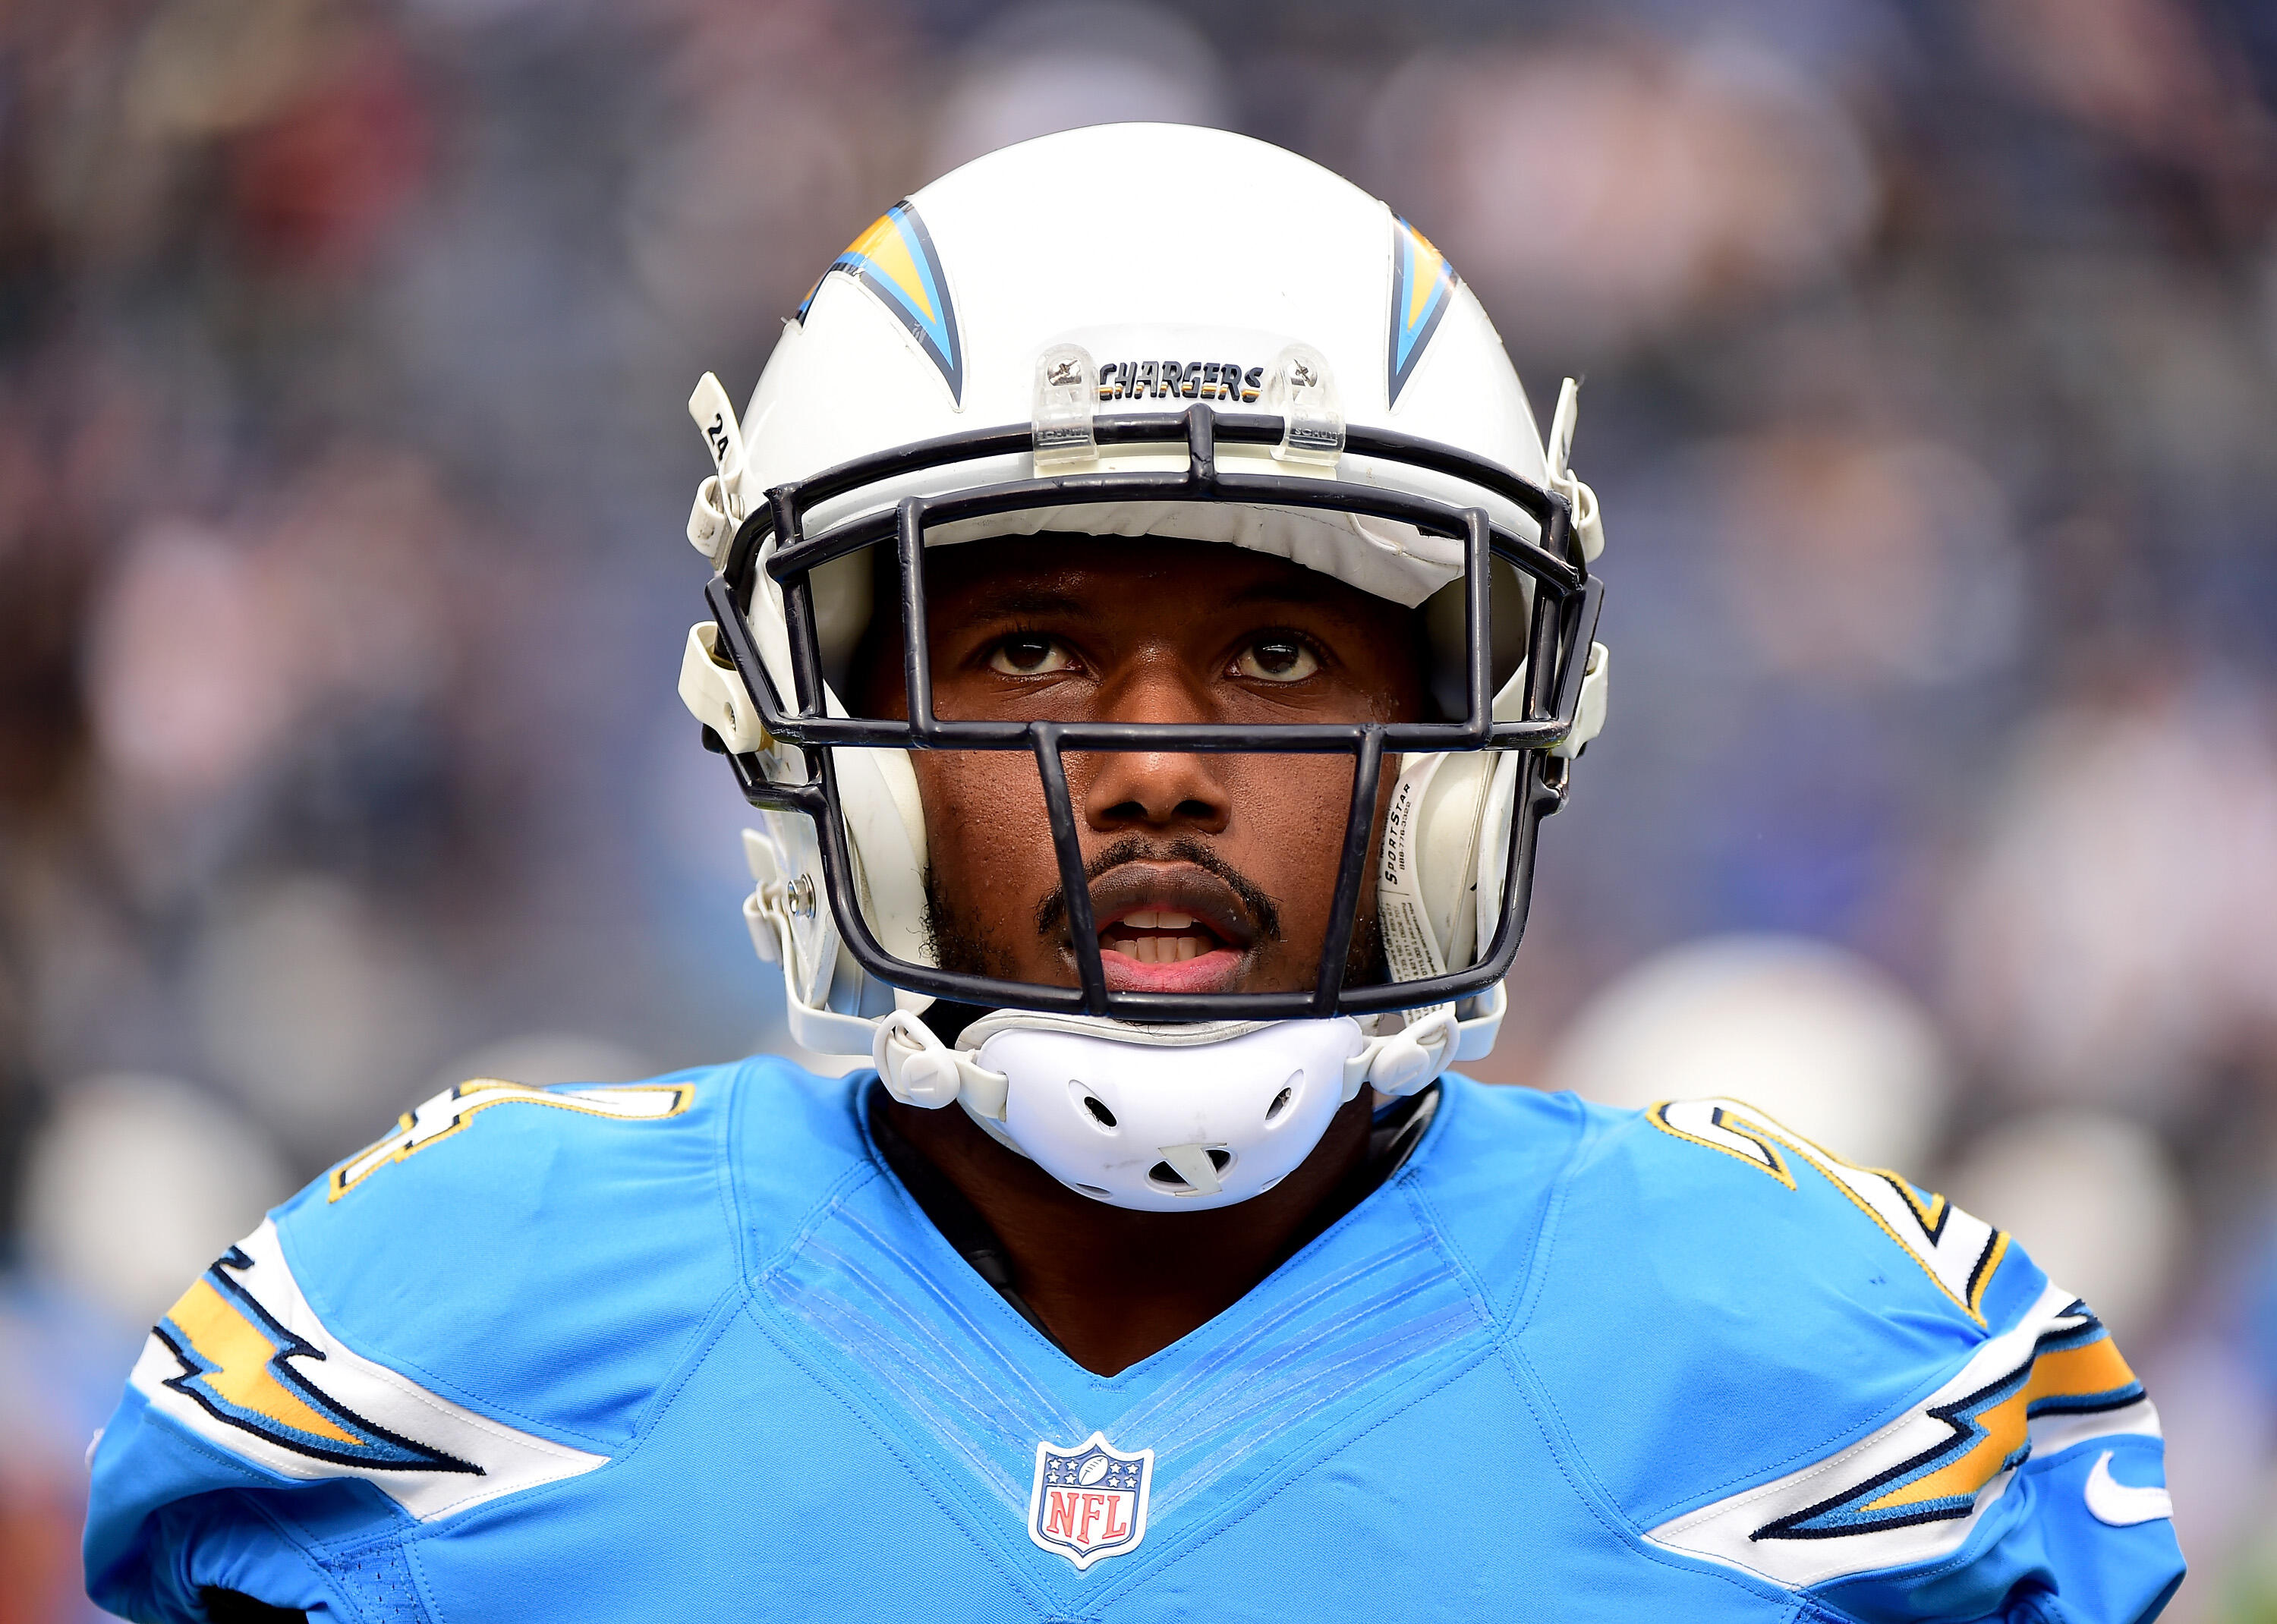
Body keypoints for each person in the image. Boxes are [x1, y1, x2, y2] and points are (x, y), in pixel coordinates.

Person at [83, 124, 2183, 1622]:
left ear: (1478, 734)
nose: (1159, 761)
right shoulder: (454, 1329)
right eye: (1027, 652)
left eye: (1278, 654)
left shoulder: (1836, 1385)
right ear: (813, 730)